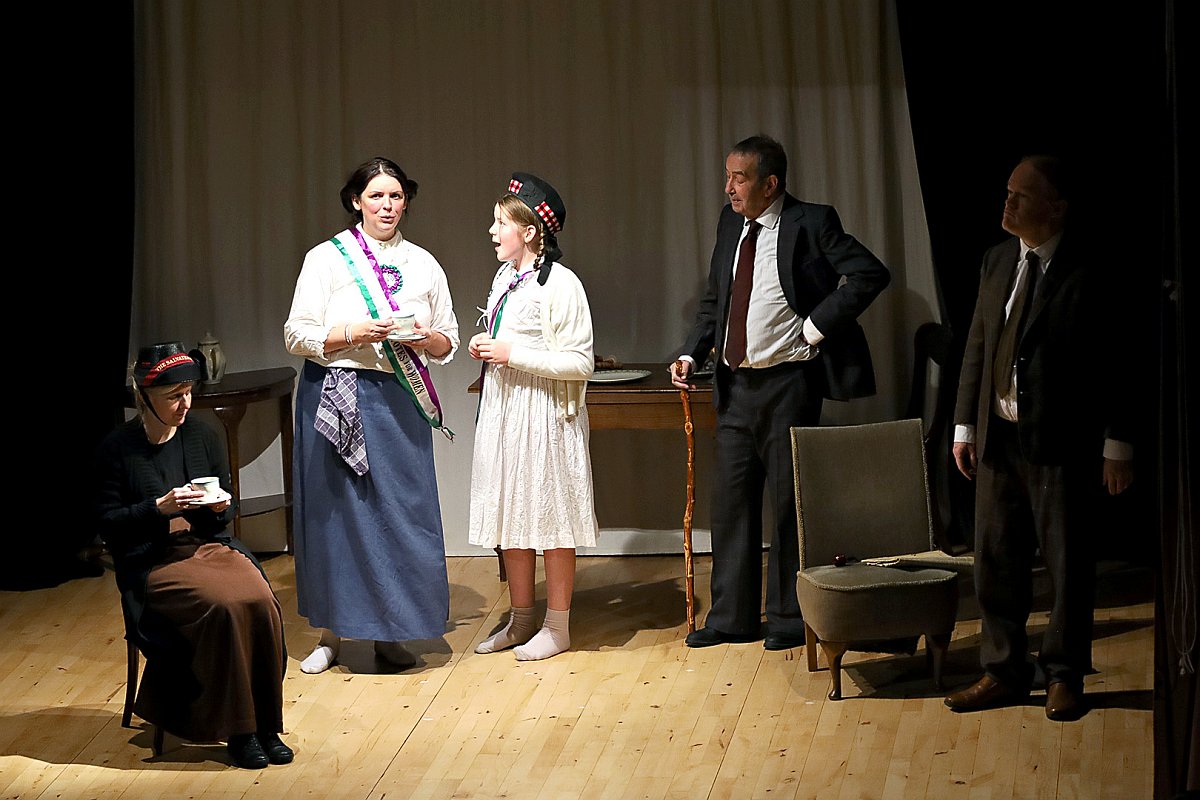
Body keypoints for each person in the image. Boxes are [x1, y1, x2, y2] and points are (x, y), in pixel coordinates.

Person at [671, 135, 891, 650]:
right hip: (735, 385)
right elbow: (716, 299)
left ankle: (790, 619)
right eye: (727, 177)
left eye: (739, 178)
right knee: (731, 505)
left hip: (789, 384)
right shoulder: (730, 224)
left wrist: (815, 327)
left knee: (790, 505)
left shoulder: (810, 222)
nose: (729, 188)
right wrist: (692, 353)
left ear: (770, 184)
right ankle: (731, 619)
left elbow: (870, 273)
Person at [944, 155, 1133, 721]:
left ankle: (1064, 675)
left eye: (1021, 196)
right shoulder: (997, 259)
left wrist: (1117, 443)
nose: (1007, 203)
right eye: (1008, 191)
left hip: (1062, 443)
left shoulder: (1089, 269)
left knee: (1067, 564)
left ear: (1056, 208)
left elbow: (1119, 362)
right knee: (995, 561)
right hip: (998, 439)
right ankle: (1003, 670)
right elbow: (977, 345)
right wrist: (964, 424)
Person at [284, 157, 459, 675]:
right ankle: (331, 633)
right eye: (377, 196)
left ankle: (392, 631)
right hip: (335, 395)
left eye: (396, 196)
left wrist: (422, 338)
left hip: (398, 401)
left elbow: (447, 341)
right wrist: (351, 334)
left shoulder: (423, 263)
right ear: (356, 201)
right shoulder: (326, 258)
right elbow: (296, 333)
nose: (387, 206)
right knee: (334, 515)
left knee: (400, 516)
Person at [96, 342, 291, 769]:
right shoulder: (118, 448)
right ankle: (240, 729)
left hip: (207, 545)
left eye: (187, 393)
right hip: (151, 560)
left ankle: (266, 724)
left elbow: (227, 505)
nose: (184, 404)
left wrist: (220, 506)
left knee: (261, 601)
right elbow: (107, 524)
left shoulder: (202, 435)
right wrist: (157, 509)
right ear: (144, 396)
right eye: (173, 396)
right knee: (224, 606)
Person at [468, 173, 598, 661]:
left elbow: (580, 362)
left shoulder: (561, 284)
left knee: (551, 517)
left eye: (501, 222)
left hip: (545, 417)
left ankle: (557, 626)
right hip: (505, 412)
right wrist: (488, 348)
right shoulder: (505, 278)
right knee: (512, 514)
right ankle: (521, 619)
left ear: (528, 230)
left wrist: (511, 353)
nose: (492, 231)